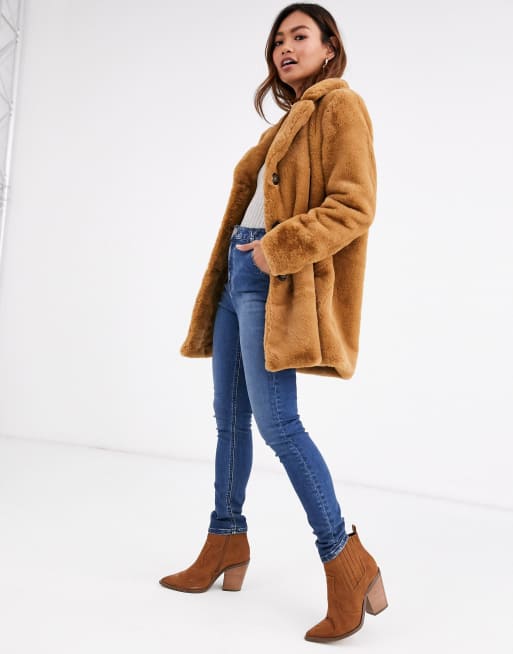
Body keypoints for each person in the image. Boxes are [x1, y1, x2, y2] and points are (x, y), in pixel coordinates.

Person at [159, 2, 388, 643]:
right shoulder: (289, 122)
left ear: (329, 45)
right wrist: (247, 255)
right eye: (278, 40)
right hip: (240, 276)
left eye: (299, 36)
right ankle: (225, 541)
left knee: (279, 425)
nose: (285, 48)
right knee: (229, 420)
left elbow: (355, 205)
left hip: (272, 277)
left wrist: (274, 250)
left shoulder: (341, 106)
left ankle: (346, 561)